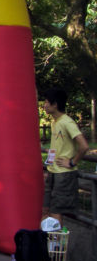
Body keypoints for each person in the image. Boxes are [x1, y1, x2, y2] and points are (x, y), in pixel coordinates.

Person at [42, 88, 89, 226]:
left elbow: (84, 146)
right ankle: (46, 238)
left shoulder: (67, 122)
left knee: (55, 213)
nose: (44, 105)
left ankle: (55, 240)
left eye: (47, 102)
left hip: (64, 174)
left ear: (55, 104)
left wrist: (72, 162)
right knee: (45, 209)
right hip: (53, 171)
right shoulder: (55, 122)